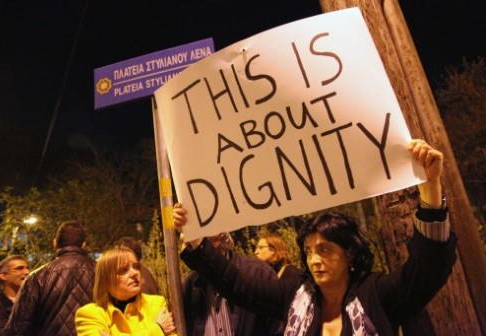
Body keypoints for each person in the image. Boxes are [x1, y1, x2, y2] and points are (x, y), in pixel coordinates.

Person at [174, 139, 457, 336]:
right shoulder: (294, 293)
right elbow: (237, 285)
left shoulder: (376, 294)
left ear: (349, 252)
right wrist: (199, 242)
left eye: (324, 249)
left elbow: (428, 269)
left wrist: (431, 185)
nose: (314, 260)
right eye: (309, 251)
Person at [4, 221, 96, 336]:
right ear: (83, 244)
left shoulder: (36, 277)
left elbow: (18, 328)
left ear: (55, 243)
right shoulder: (102, 272)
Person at [182, 231, 281, 336]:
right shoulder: (191, 285)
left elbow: (277, 329)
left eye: (197, 243)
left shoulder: (260, 274)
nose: (185, 244)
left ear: (217, 239)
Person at [75, 245, 176, 336]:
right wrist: (157, 330)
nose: (134, 273)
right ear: (105, 279)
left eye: (136, 267)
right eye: (123, 270)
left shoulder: (155, 303)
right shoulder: (89, 314)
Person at [0, 255, 29, 335]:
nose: (27, 272)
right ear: (3, 275)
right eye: (19, 268)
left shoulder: (32, 299)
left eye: (27, 268)